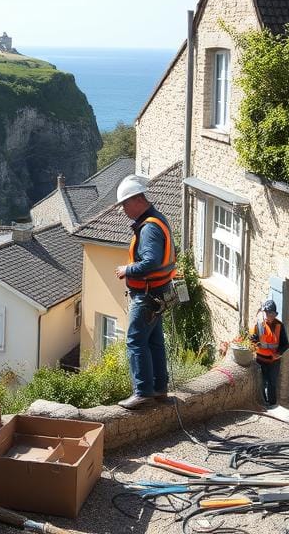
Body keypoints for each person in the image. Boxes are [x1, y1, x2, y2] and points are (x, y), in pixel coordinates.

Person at [112, 174, 176, 410]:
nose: (124, 211)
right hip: (159, 294)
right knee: (155, 341)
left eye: (124, 205)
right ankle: (160, 388)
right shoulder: (158, 220)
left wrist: (126, 269)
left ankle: (143, 392)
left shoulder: (149, 228)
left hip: (147, 296)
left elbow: (150, 261)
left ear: (137, 200)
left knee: (136, 342)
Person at [251, 299, 289, 408]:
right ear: (264, 313)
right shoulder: (259, 324)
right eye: (268, 313)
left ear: (275, 314)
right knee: (261, 383)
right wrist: (253, 340)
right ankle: (263, 403)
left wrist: (279, 353)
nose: (270, 315)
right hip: (260, 359)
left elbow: (285, 344)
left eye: (272, 313)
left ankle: (272, 404)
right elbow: (252, 340)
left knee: (272, 383)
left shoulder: (279, 326)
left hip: (274, 361)